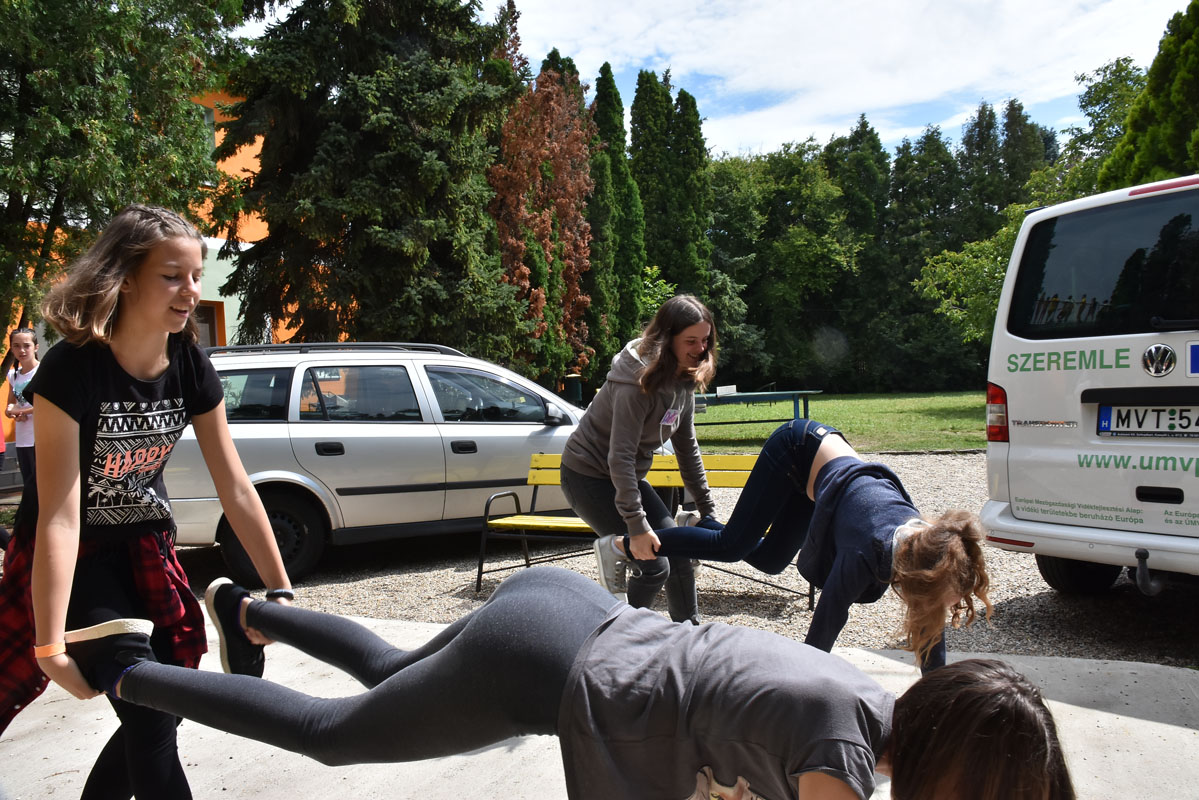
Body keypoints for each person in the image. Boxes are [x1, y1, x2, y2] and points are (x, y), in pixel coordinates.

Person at [84, 567, 1071, 800]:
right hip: (544, 666)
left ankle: (246, 606)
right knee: (331, 733)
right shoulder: (839, 762)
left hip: (565, 610)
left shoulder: (859, 697)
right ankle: (129, 670)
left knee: (387, 673)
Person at [0, 204, 294, 798]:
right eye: (171, 276)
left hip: (147, 551)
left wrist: (280, 591)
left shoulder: (188, 363)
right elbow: (59, 515)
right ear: (126, 278)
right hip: (78, 561)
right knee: (153, 704)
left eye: (196, 276)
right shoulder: (72, 368)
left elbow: (236, 485)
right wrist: (49, 645)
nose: (191, 291)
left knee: (162, 708)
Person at [595, 418, 992, 671]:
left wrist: (936, 696)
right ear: (918, 577)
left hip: (825, 478)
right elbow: (825, 626)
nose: (943, 610)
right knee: (731, 546)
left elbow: (930, 628)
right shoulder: (863, 553)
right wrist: (800, 688)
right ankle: (624, 546)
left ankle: (698, 526)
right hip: (797, 448)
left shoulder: (928, 547)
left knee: (770, 560)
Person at [560, 294, 718, 624]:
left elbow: (687, 449)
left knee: (678, 551)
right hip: (587, 476)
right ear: (667, 339)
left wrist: (708, 512)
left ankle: (688, 635)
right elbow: (619, 457)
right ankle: (614, 636)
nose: (701, 349)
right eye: (691, 341)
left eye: (705, 340)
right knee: (655, 565)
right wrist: (636, 525)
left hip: (624, 475)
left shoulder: (683, 379)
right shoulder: (636, 384)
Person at [6, 326, 40, 485]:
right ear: (11, 349)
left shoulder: (43, 372)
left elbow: (48, 405)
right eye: (16, 346)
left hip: (40, 437)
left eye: (27, 346)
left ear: (36, 347)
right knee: (29, 484)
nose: (22, 350)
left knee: (41, 484)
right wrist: (12, 412)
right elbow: (11, 404)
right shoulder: (13, 375)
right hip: (22, 438)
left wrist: (22, 411)